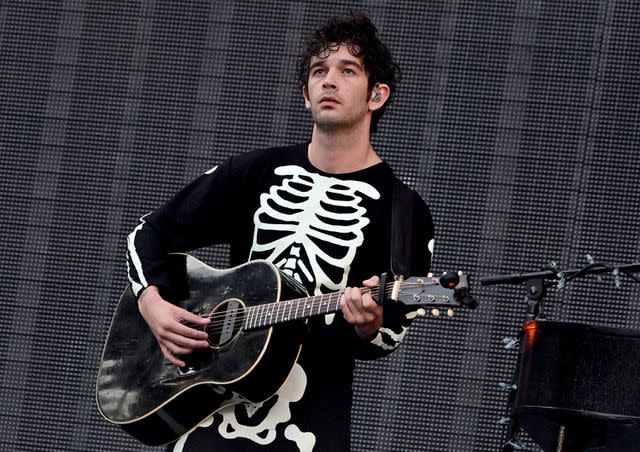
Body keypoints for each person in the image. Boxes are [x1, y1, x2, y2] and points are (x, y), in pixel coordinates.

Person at [126, 11, 434, 452]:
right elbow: (148, 233)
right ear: (305, 95)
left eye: (348, 71)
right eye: (318, 71)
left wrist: (370, 324)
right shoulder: (253, 172)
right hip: (207, 408)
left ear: (376, 95)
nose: (329, 81)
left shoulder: (406, 212)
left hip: (309, 426)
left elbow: (391, 334)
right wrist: (153, 304)